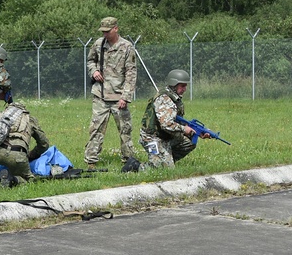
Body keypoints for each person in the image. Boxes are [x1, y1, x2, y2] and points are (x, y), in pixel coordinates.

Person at [84, 16, 138, 170]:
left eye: (108, 31)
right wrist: (93, 71)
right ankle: (91, 161)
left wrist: (125, 97)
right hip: (100, 94)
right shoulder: (98, 44)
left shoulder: (127, 47)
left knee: (125, 130)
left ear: (116, 28)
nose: (105, 34)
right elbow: (90, 61)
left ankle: (128, 160)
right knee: (96, 129)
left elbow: (131, 74)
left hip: (118, 96)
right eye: (103, 31)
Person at [139, 69, 210, 169]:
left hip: (165, 137)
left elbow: (177, 122)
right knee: (162, 169)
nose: (185, 89)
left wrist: (198, 132)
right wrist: (184, 129)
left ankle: (166, 159)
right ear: (174, 84)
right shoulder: (164, 99)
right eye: (182, 86)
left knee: (189, 142)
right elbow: (166, 124)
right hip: (151, 138)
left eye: (185, 86)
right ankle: (135, 166)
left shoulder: (175, 98)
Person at [0, 101, 50, 187]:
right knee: (29, 180)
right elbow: (44, 144)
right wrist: (32, 155)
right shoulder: (30, 120)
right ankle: (13, 180)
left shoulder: (1, 116)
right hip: (17, 156)